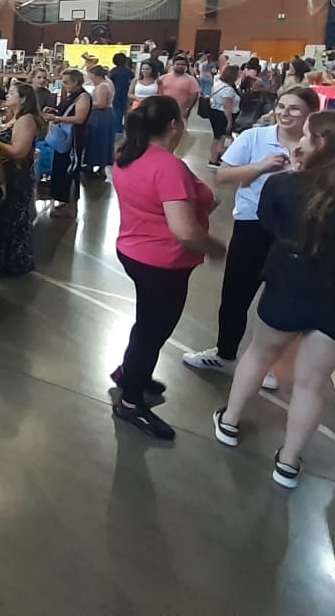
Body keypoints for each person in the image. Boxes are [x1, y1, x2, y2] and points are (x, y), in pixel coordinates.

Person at [214, 112, 335, 487]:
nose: (298, 141)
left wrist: (297, 174)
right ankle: (288, 461)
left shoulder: (283, 186)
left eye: (306, 136)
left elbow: (269, 223)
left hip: (287, 288)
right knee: (311, 383)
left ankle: (230, 421)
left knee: (259, 354)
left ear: (321, 144)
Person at [183, 87, 321, 383]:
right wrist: (260, 166)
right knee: (237, 293)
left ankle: (265, 363)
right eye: (281, 106)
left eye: (294, 109)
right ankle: (225, 354)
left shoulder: (317, 146)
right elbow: (223, 175)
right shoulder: (254, 137)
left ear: (310, 115)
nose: (285, 113)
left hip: (296, 230)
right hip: (252, 225)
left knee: (280, 297)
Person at [110, 96, 226, 440]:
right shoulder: (168, 167)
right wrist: (214, 247)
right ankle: (130, 402)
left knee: (147, 324)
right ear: (174, 125)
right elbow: (185, 231)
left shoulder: (128, 155)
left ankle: (130, 373)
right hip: (162, 262)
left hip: (134, 251)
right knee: (153, 331)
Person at [0, 82, 46, 275]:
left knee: (13, 219)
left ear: (23, 99)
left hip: (16, 177)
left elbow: (18, 152)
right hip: (5, 174)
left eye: (12, 93)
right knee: (1, 218)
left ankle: (13, 262)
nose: (7, 95)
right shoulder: (13, 117)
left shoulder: (26, 120)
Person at [44, 69, 90, 218]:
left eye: (67, 82)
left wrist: (57, 118)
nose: (64, 85)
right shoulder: (71, 96)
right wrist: (55, 112)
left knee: (71, 170)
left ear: (76, 82)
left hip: (74, 139)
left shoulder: (83, 97)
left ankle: (72, 206)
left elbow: (79, 119)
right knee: (61, 168)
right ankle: (65, 199)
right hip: (65, 138)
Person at [207, 64, 241, 166]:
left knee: (217, 137)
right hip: (224, 115)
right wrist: (230, 121)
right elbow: (227, 107)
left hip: (214, 111)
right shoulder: (228, 89)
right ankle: (220, 156)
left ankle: (213, 158)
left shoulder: (218, 84)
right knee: (225, 138)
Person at [85, 65, 115, 178]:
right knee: (100, 140)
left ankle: (99, 166)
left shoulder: (102, 86)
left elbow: (101, 104)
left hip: (101, 116)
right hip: (103, 116)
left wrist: (87, 104)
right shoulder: (107, 83)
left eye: (91, 77)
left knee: (99, 140)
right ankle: (94, 165)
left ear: (96, 76)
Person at [159, 55, 200, 119]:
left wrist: (188, 109)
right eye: (178, 64)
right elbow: (158, 93)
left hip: (181, 111)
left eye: (182, 64)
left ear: (186, 66)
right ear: (173, 65)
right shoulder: (163, 78)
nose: (180, 66)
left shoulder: (191, 80)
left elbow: (194, 96)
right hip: (163, 109)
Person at [108, 53, 134, 130]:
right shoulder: (128, 71)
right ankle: (126, 126)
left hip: (115, 93)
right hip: (126, 92)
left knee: (117, 110)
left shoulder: (113, 71)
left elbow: (110, 82)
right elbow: (133, 80)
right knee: (126, 109)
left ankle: (117, 127)